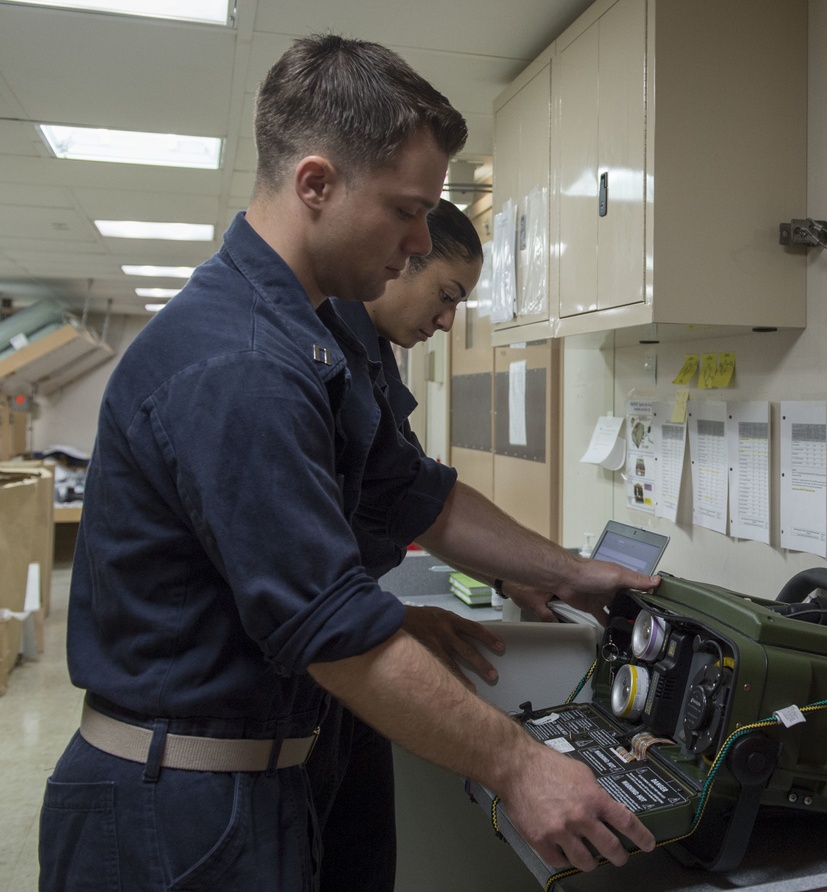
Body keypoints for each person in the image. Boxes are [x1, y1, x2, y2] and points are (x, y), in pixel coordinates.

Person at [38, 34, 657, 891]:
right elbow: (326, 625)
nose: (416, 240)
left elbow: (412, 495)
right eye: (405, 209)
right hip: (175, 806)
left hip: (254, 776)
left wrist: (569, 573)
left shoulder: (313, 334)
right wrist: (519, 765)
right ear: (316, 184)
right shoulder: (244, 363)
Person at [318, 199, 575, 891]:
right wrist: (518, 764)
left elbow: (412, 496)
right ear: (400, 261)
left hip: (327, 686)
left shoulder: (369, 362)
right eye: (447, 296)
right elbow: (307, 596)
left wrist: (524, 574)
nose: (447, 321)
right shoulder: (302, 356)